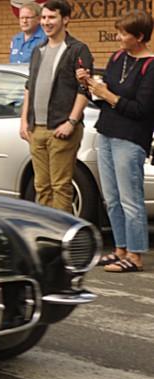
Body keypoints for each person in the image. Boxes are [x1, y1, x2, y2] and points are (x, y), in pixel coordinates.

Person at [78, 11, 153, 273]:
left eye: (123, 33)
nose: (119, 37)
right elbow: (103, 93)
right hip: (107, 132)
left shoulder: (150, 66)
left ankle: (134, 255)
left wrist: (108, 95)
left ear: (140, 37)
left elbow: (142, 110)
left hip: (130, 138)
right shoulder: (117, 57)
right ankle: (120, 248)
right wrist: (90, 85)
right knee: (110, 198)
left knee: (130, 199)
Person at [19, 0, 93, 213]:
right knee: (41, 186)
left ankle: (63, 239)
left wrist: (71, 121)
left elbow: (85, 89)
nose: (46, 22)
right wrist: (24, 121)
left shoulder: (77, 49)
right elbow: (28, 87)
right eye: (43, 17)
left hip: (61, 129)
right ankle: (47, 234)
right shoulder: (38, 50)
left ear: (65, 19)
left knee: (60, 187)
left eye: (51, 17)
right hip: (37, 129)